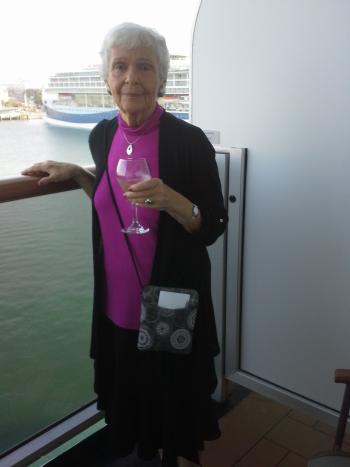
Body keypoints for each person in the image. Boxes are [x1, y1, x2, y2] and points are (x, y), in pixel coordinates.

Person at [22, 23, 228, 467]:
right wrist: (80, 175)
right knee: (130, 399)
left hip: (169, 302)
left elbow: (212, 224)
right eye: (120, 66)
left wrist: (172, 200)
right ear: (107, 78)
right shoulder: (101, 136)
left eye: (144, 66)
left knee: (168, 403)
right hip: (116, 305)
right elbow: (116, 198)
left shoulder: (187, 142)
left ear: (161, 80)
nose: (131, 76)